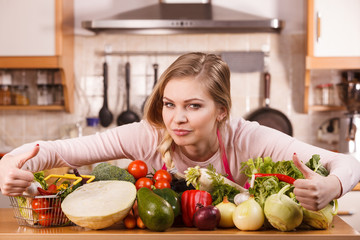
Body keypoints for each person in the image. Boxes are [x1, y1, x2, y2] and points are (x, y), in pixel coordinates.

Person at [0, 52, 359, 211]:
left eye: (193, 106)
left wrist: (333, 185)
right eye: (169, 104)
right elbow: (55, 151)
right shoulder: (148, 133)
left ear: (222, 110)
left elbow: (347, 162)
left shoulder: (248, 137)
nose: (177, 119)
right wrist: (13, 163)